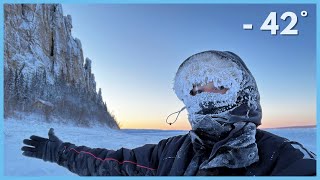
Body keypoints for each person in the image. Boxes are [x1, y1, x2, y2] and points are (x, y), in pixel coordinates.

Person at [22, 50, 316, 176]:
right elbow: (112, 163)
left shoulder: (285, 158)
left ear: (243, 91)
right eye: (195, 88)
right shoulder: (171, 152)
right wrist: (59, 152)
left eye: (218, 84)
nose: (204, 94)